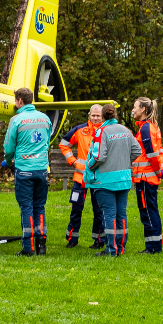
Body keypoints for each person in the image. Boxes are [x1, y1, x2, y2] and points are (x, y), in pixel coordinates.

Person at [1, 87, 55, 255]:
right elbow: (47, 140)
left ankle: (28, 247)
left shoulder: (17, 120)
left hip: (24, 169)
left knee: (26, 208)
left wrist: (8, 161)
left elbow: (9, 146)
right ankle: (41, 245)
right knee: (39, 206)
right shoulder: (45, 118)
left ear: (19, 101)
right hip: (41, 169)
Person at [82, 104, 138, 256]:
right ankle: (121, 247)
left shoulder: (102, 131)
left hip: (106, 180)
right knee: (122, 214)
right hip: (124, 179)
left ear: (103, 116)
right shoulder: (125, 130)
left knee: (109, 215)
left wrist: (89, 165)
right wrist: (124, 161)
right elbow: (137, 150)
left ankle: (111, 249)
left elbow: (99, 156)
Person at [59, 105, 105, 248]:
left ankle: (99, 240)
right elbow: (64, 144)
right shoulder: (80, 129)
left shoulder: (106, 130)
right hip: (81, 178)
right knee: (76, 209)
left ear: (103, 116)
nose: (96, 118)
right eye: (93, 115)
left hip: (99, 178)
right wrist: (71, 161)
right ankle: (72, 239)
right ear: (89, 115)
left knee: (99, 210)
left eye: (98, 116)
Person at [129, 97, 163, 254]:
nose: (133, 110)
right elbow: (160, 152)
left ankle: (152, 248)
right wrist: (161, 170)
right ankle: (155, 245)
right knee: (151, 210)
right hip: (148, 177)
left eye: (135, 107)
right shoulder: (151, 127)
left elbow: (152, 154)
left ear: (143, 109)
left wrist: (158, 171)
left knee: (147, 212)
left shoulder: (146, 128)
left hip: (146, 178)